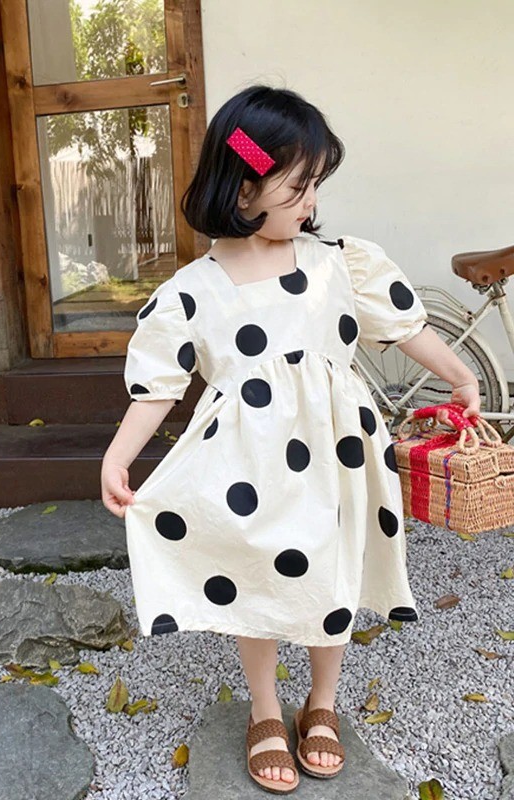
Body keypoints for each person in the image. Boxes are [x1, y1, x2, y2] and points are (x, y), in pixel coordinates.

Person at [100, 85, 481, 794]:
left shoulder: (338, 262)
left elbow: (406, 326)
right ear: (244, 187)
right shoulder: (194, 291)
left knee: (333, 568)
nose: (311, 202)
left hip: (338, 453)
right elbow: (157, 385)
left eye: (315, 186)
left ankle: (323, 702)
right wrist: (119, 456)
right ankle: (266, 707)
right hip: (251, 466)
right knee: (262, 571)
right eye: (298, 187)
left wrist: (460, 374)